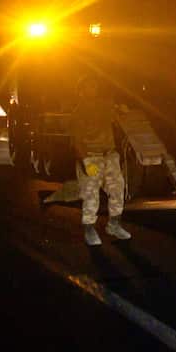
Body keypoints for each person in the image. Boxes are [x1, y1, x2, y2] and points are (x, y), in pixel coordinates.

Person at [69, 76, 130, 246]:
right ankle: (89, 229)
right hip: (91, 157)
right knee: (91, 194)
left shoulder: (104, 105)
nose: (93, 89)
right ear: (80, 91)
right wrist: (86, 161)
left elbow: (117, 113)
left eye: (94, 86)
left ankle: (114, 225)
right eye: (88, 87)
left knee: (117, 189)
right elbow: (76, 141)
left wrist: (122, 110)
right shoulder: (78, 113)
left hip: (110, 156)